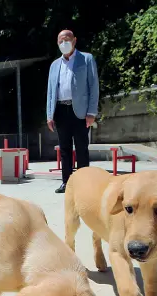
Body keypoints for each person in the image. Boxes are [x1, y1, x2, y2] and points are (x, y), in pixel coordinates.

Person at [46, 29, 99, 193]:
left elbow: (94, 86)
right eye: (61, 40)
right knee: (64, 149)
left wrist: (92, 112)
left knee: (82, 147)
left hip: (81, 112)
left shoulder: (86, 59)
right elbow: (50, 91)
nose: (64, 43)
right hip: (61, 110)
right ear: (57, 43)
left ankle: (85, 184)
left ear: (74, 40)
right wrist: (49, 115)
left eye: (67, 39)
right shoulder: (55, 65)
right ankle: (67, 183)